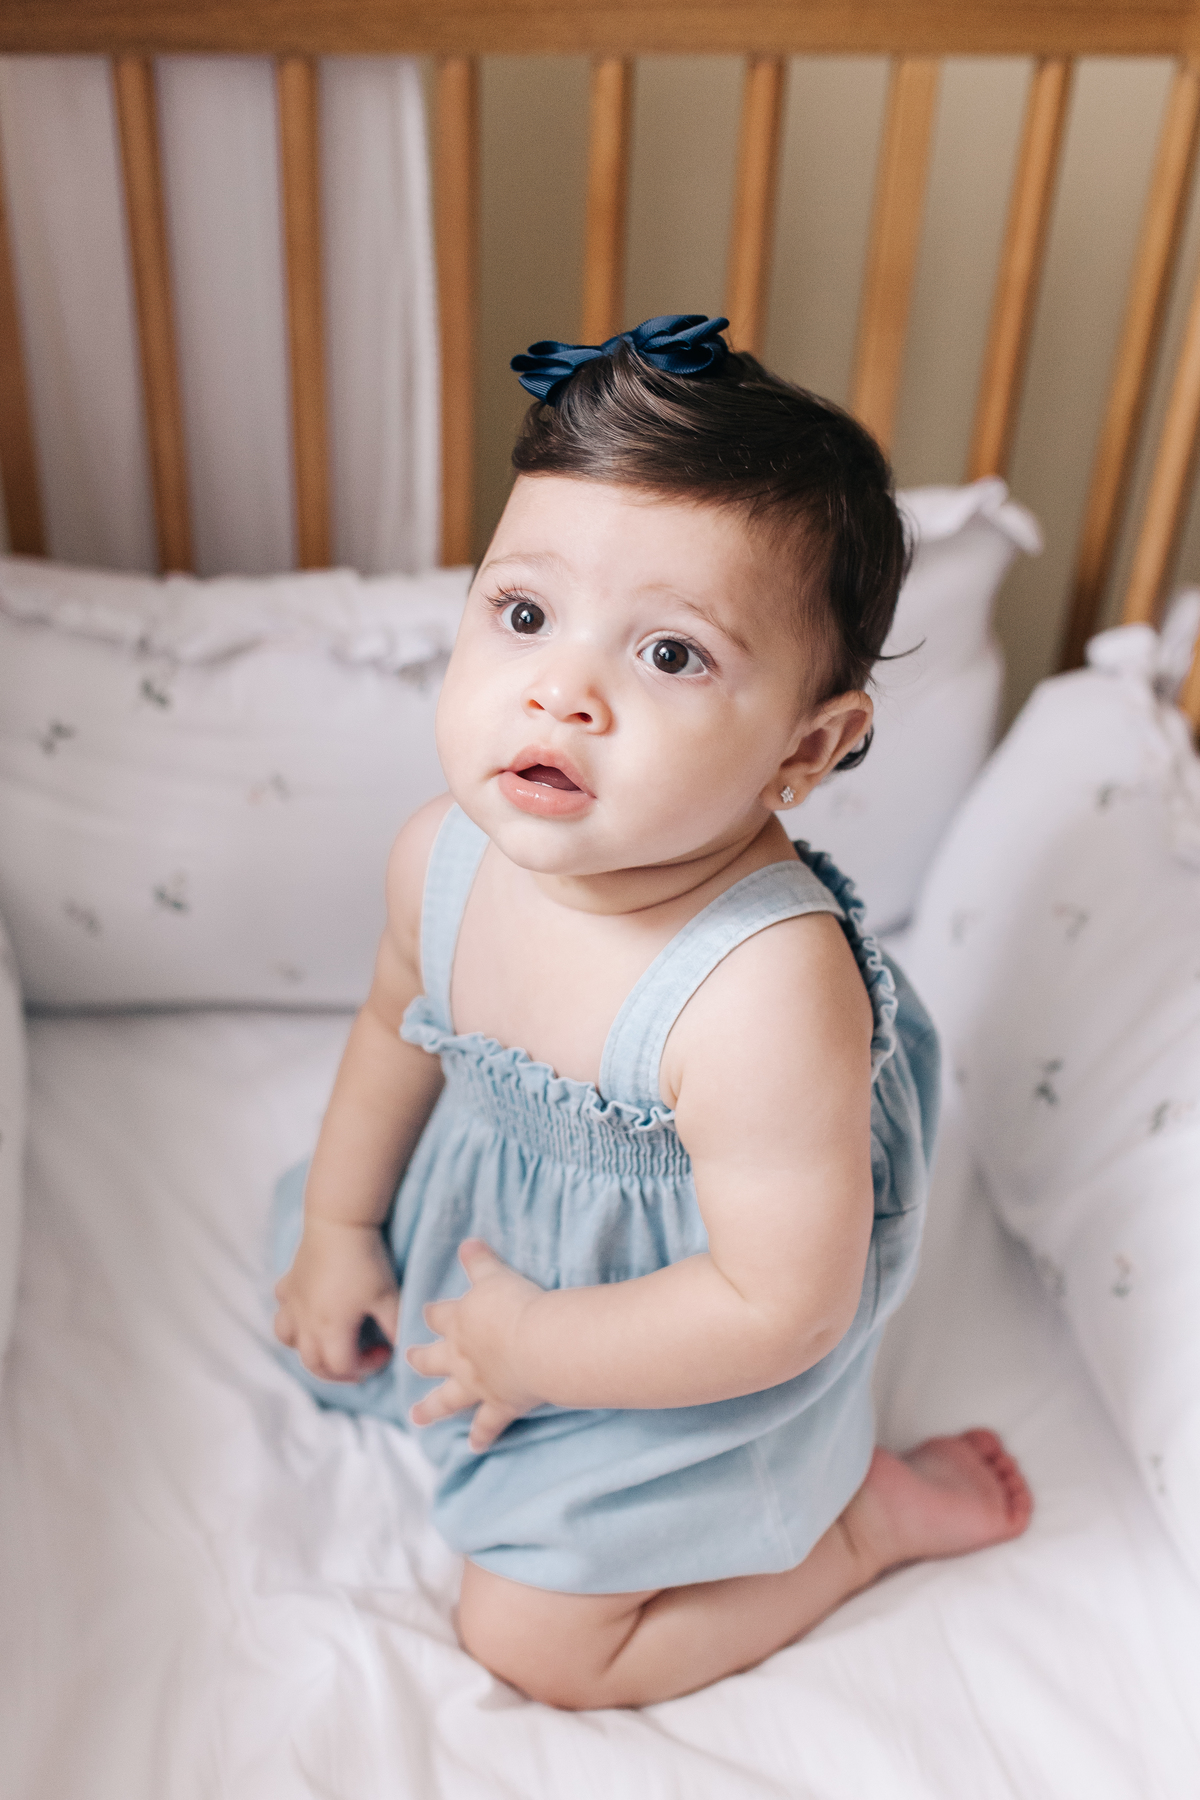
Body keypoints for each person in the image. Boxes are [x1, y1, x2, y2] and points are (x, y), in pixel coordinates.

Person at [272, 315, 1032, 1710]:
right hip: (494, 1233)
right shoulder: (441, 855)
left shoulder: (763, 994)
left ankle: (857, 1527)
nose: (561, 690)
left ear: (808, 746)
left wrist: (534, 1351)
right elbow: (393, 1030)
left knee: (535, 1643)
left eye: (671, 655)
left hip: (694, 1318)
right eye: (523, 615)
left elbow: (779, 1305)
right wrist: (339, 1226)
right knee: (331, 1330)